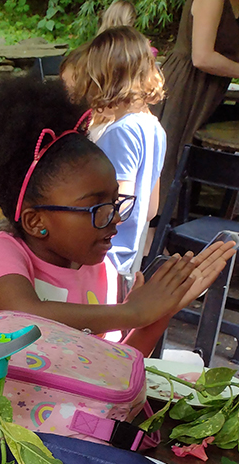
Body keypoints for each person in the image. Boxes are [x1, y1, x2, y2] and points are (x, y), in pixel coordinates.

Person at [0, 76, 235, 356]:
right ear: (35, 221)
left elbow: (110, 367)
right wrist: (132, 312)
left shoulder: (102, 271)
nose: (115, 219)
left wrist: (158, 313)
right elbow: (25, 315)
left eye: (115, 202)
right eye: (96, 208)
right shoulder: (0, 252)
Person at [70, 26, 166, 277]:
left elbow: (118, 206)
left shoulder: (119, 133)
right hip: (127, 255)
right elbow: (150, 210)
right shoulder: (154, 128)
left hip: (102, 258)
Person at [155, 0, 239, 197]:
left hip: (207, 89)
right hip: (186, 86)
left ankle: (176, 219)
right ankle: (155, 224)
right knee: (170, 161)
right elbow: (202, 57)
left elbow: (230, 42)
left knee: (187, 160)